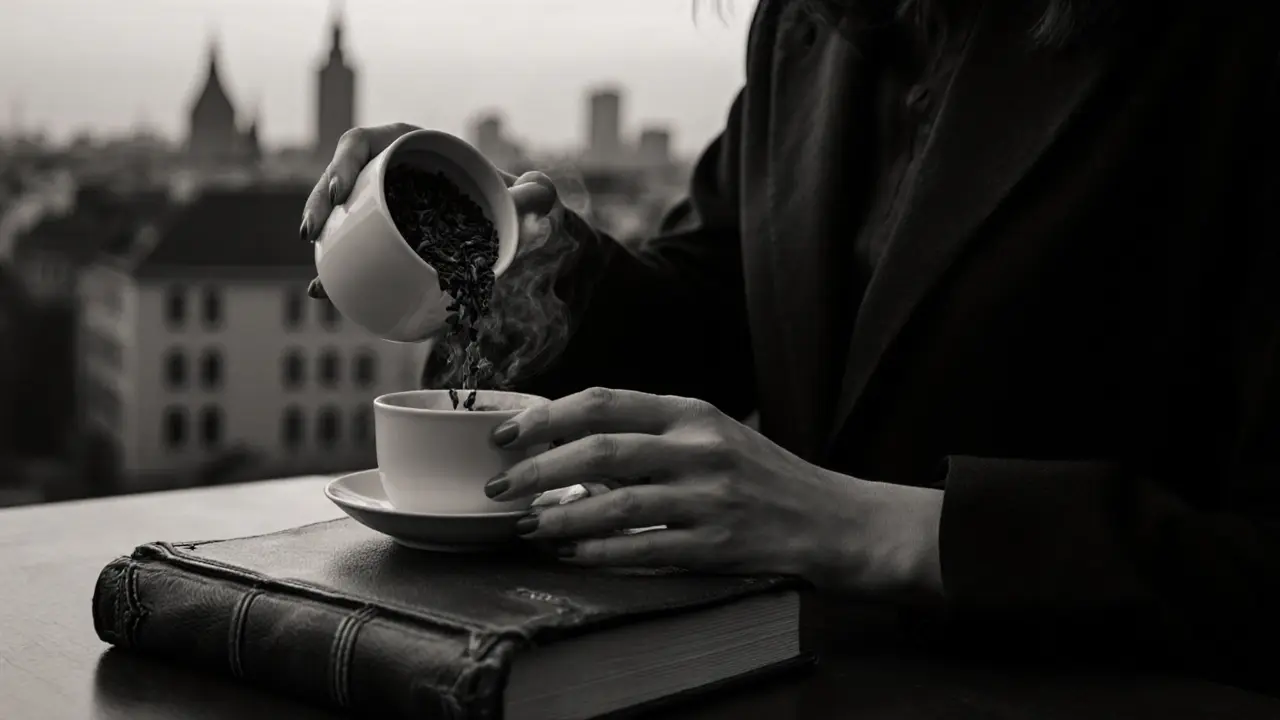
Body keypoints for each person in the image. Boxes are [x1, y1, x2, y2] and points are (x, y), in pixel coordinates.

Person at [301, 0, 1280, 690]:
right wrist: (536, 271)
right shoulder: (808, 29)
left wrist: (880, 530)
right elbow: (720, 306)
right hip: (799, 679)